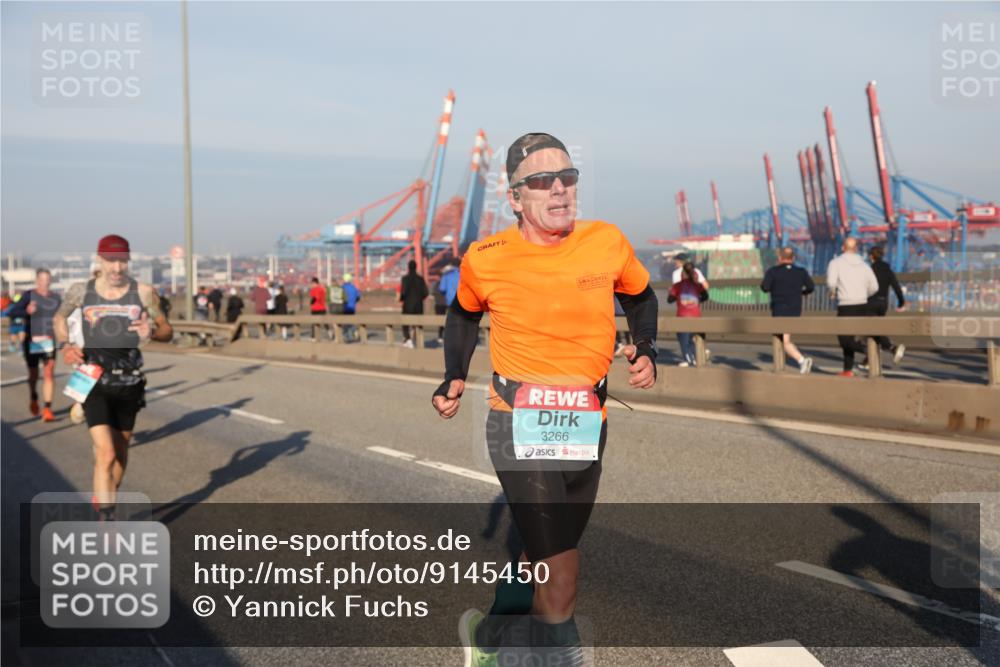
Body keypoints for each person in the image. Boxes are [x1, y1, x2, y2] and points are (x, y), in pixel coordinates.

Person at [432, 133, 657, 665]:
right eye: (540, 181)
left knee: (543, 552)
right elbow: (463, 314)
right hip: (518, 422)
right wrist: (453, 375)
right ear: (515, 198)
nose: (558, 190)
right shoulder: (486, 257)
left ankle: (489, 641)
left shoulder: (606, 241)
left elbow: (641, 296)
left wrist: (646, 346)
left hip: (587, 419)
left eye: (566, 178)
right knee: (562, 569)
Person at [52, 234, 173, 519]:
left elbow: (167, 329)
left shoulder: (144, 293)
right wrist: (66, 345)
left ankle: (106, 494)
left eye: (122, 261)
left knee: (120, 453)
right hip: (94, 379)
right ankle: (106, 523)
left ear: (129, 262)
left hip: (129, 382)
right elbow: (59, 318)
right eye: (111, 261)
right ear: (100, 260)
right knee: (105, 453)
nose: (117, 268)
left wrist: (152, 332)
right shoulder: (81, 291)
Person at [6, 268, 62, 420]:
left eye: (48, 280)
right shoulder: (28, 295)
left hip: (49, 339)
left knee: (49, 372)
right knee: (34, 374)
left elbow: (64, 316)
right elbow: (12, 312)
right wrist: (26, 310)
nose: (45, 283)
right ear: (37, 281)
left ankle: (47, 409)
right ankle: (33, 397)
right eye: (42, 280)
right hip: (32, 340)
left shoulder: (56, 298)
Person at [826, 237, 878, 376]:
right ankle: (847, 370)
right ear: (856, 249)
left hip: (846, 305)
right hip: (862, 305)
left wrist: (833, 292)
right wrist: (863, 294)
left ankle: (868, 350)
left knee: (844, 339)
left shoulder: (835, 263)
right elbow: (875, 287)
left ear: (843, 248)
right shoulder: (864, 265)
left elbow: (831, 283)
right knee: (851, 338)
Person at [760, 247, 815, 374]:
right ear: (793, 258)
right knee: (785, 337)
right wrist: (802, 292)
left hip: (779, 309)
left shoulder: (773, 272)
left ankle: (802, 360)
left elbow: (764, 287)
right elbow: (811, 286)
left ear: (779, 258)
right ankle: (780, 365)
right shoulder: (801, 272)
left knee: (784, 341)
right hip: (795, 309)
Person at [865, 245, 906, 366]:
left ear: (872, 256)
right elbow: (896, 286)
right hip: (883, 303)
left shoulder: (870, 270)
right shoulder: (888, 270)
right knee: (875, 328)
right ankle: (869, 360)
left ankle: (892, 348)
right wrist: (901, 301)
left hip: (871, 302)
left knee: (871, 329)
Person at [667, 261, 708, 366]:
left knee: (683, 338)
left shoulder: (678, 286)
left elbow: (670, 300)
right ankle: (694, 357)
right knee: (692, 338)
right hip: (696, 315)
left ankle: (688, 359)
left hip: (682, 315)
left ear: (682, 273)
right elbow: (706, 296)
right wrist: (697, 300)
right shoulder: (697, 285)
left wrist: (672, 294)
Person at [399, 259, 429, 348]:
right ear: (416, 267)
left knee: (405, 323)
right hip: (418, 305)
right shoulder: (421, 279)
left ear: (408, 268)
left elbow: (403, 292)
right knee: (418, 324)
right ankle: (417, 341)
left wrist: (402, 299)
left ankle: (408, 339)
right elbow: (426, 293)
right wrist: (419, 299)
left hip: (407, 306)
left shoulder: (405, 279)